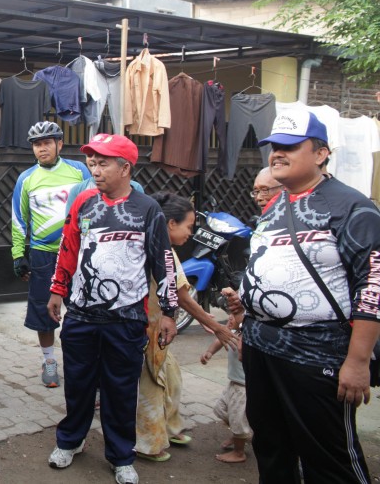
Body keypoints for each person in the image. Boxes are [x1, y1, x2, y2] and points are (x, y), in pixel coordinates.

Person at [224, 109, 380, 483]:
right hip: (262, 349)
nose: (278, 153)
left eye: (291, 146)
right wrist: (247, 315)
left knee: (328, 458)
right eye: (275, 146)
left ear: (321, 153)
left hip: (316, 353)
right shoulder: (276, 206)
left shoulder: (352, 206)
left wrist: (358, 361)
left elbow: (373, 286)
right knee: (271, 449)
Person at [44, 133, 178, 484]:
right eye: (93, 162)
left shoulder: (147, 209)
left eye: (103, 163)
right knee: (78, 383)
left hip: (127, 318)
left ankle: (121, 456)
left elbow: (163, 261)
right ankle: (70, 441)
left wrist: (169, 311)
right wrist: (57, 290)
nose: (95, 169)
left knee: (120, 390)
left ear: (125, 168)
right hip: (81, 314)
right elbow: (68, 247)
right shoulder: (84, 202)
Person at [135, 192, 239, 463]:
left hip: (155, 330)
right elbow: (182, 296)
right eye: (189, 226)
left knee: (170, 377)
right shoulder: (163, 251)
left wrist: (207, 321)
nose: (190, 234)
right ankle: (149, 443)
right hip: (147, 331)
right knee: (152, 385)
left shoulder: (154, 245)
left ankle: (170, 428)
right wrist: (216, 326)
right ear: (171, 224)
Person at [11, 121, 91, 387]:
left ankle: (81, 365)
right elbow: (19, 219)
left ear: (59, 144)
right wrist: (18, 255)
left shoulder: (78, 171)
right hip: (43, 255)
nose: (41, 148)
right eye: (36, 144)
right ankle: (49, 362)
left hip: (77, 253)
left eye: (47, 142)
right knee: (43, 313)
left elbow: (92, 205)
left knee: (82, 311)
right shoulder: (26, 179)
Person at [200, 287, 251, 464]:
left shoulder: (247, 336)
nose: (230, 318)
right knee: (222, 410)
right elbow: (219, 341)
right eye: (229, 314)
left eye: (235, 315)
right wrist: (209, 352)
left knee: (237, 418)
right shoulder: (232, 333)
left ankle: (239, 451)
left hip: (244, 388)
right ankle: (240, 434)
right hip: (233, 383)